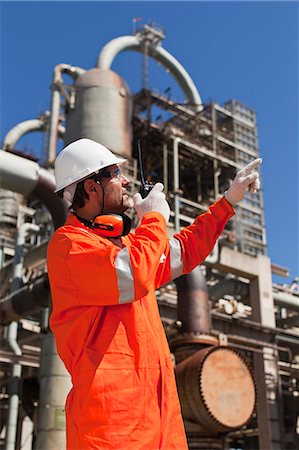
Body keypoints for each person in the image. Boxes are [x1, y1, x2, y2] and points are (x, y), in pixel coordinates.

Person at [47, 138, 261, 450]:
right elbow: (135, 274)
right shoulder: (69, 246)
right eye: (115, 174)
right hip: (113, 428)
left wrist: (227, 202)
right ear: (91, 188)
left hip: (156, 419)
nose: (126, 181)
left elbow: (182, 251)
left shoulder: (124, 246)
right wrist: (154, 218)